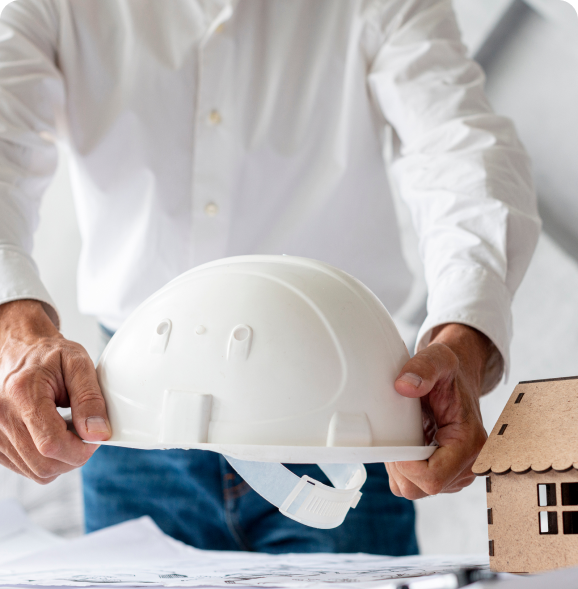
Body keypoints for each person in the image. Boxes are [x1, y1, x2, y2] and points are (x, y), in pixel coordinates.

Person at [0, 0, 540, 554]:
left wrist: (464, 342)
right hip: (131, 419)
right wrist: (16, 330)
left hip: (342, 419)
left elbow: (461, 152)